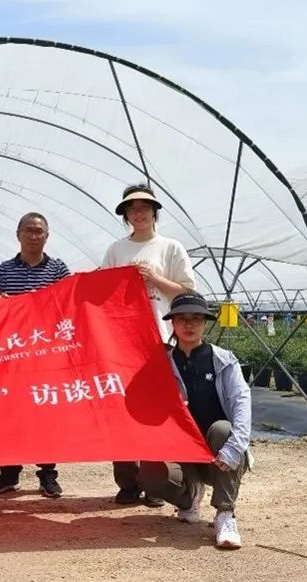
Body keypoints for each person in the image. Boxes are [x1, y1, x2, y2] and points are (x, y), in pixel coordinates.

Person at [102, 183, 195, 508]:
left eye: (144, 207)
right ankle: (128, 482)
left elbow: (187, 294)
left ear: (154, 212)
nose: (138, 213)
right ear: (126, 215)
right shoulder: (116, 250)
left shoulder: (170, 248)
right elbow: (103, 293)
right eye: (132, 209)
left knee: (155, 414)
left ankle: (155, 481)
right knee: (121, 413)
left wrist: (154, 279)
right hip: (122, 344)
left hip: (160, 341)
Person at [136, 291, 251, 549]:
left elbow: (242, 404)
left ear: (205, 323)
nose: (189, 325)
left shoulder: (223, 360)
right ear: (172, 323)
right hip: (180, 450)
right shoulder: (162, 364)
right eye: (182, 319)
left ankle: (225, 514)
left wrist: (235, 449)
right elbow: (143, 406)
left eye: (196, 319)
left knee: (223, 429)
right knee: (150, 473)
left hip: (217, 455)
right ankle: (188, 499)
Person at [0, 212, 71, 498]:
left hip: (47, 354)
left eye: (39, 231)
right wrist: (2, 304)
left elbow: (69, 305)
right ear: (18, 234)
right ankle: (9, 472)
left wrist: (44, 301)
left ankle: (47, 474)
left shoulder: (58, 269)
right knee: (10, 412)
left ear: (47, 236)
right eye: (29, 230)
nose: (34, 236)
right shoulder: (4, 270)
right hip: (12, 356)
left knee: (46, 414)